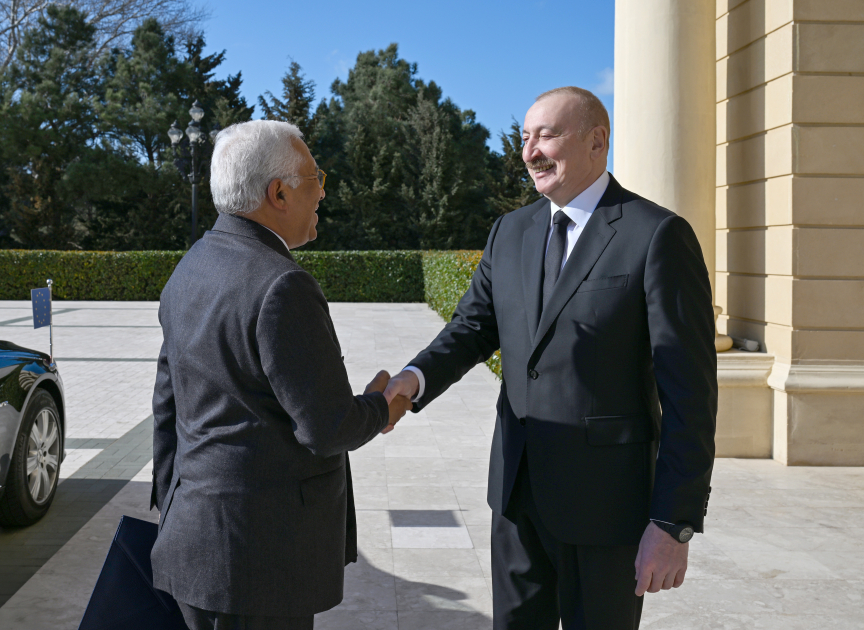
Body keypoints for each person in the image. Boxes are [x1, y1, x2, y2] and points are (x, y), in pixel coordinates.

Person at [383, 87, 717, 629]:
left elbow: (690, 395)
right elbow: (471, 327)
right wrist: (414, 378)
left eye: (547, 135)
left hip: (607, 508)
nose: (530, 151)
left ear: (597, 141)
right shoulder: (510, 231)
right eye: (525, 137)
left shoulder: (657, 235)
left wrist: (673, 522)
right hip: (516, 497)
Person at [150, 120, 412, 630]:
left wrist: (175, 511)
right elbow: (328, 428)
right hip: (258, 561)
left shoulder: (192, 265)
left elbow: (167, 405)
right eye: (316, 178)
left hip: (195, 543)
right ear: (279, 193)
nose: (323, 192)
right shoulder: (282, 285)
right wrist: (383, 407)